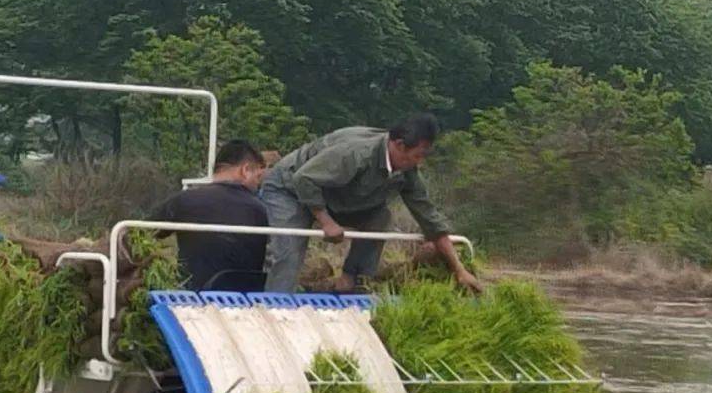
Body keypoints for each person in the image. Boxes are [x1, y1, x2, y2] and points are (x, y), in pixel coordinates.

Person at [261, 115, 482, 293]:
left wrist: (459, 270)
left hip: (337, 196)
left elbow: (429, 217)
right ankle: (276, 308)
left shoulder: (407, 171)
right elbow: (304, 179)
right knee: (288, 253)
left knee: (380, 217)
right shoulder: (357, 154)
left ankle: (353, 283)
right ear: (400, 145)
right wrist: (325, 221)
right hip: (290, 187)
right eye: (417, 155)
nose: (419, 162)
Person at [152, 140, 269, 291]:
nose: (257, 184)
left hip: (191, 299)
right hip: (245, 302)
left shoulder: (186, 200)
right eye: (257, 177)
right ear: (245, 170)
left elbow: (140, 233)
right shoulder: (261, 209)